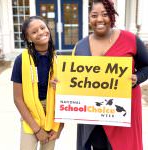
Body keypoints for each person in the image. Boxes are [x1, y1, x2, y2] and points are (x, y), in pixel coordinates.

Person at [73, 0, 148, 150]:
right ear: (89, 18)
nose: (99, 19)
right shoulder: (80, 46)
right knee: (98, 145)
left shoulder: (130, 39)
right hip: (94, 114)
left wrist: (137, 78)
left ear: (112, 16)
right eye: (94, 15)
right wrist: (61, 84)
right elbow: (74, 77)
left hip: (123, 111)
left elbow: (146, 66)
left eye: (105, 14)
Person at [11, 16, 64, 150]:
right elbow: (17, 99)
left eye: (42, 28)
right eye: (34, 32)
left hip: (52, 115)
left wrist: (60, 126)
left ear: (48, 29)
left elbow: (66, 96)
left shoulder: (58, 60)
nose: (40, 32)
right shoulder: (21, 60)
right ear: (28, 38)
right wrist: (36, 129)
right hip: (30, 115)